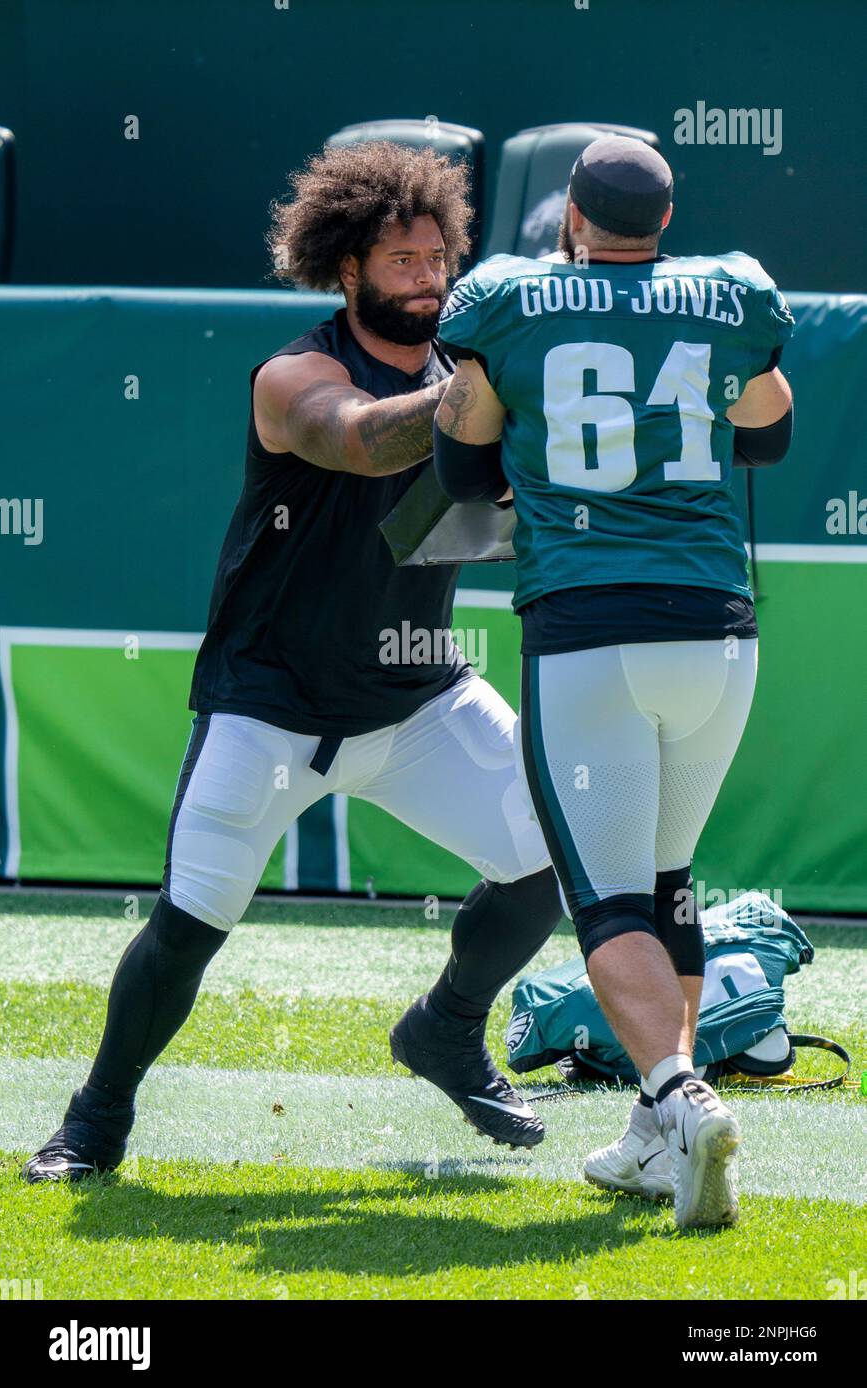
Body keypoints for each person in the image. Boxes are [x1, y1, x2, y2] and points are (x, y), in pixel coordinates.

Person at [22, 142, 564, 1184]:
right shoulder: (295, 373)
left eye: (436, 257)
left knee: (548, 860)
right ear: (347, 268)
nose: (425, 277)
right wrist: (488, 393)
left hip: (414, 698)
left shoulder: (468, 377)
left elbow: (436, 532)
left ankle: (445, 1028)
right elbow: (359, 442)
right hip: (270, 705)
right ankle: (97, 1117)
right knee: (187, 927)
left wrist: (518, 476)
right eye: (400, 259)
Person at [433, 135, 794, 1228]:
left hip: (590, 627)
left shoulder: (508, 295)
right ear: (664, 221)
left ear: (569, 218)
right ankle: (652, 1136)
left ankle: (679, 1096)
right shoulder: (727, 290)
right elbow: (766, 434)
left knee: (607, 899)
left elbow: (465, 461)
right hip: (717, 632)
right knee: (671, 878)